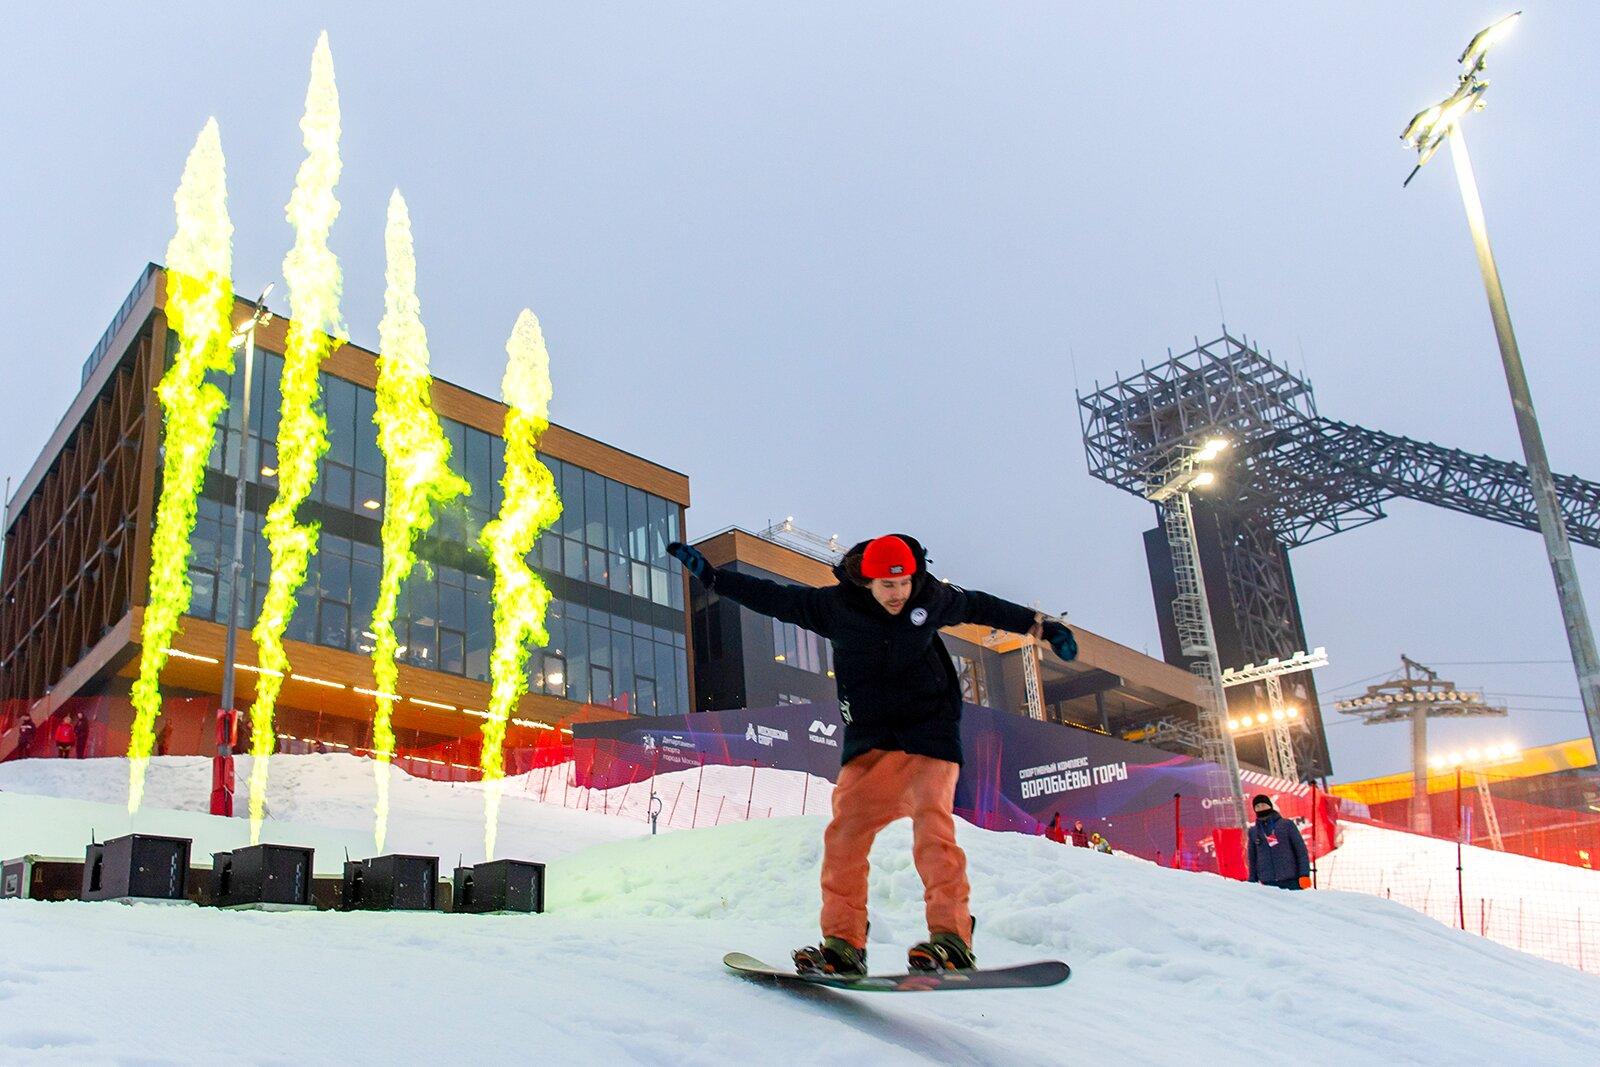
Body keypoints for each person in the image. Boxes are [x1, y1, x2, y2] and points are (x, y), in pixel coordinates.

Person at [668, 533, 1077, 976]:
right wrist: (715, 579)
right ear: (867, 581)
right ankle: (844, 944)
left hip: (929, 735)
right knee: (844, 838)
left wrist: (1043, 627)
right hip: (871, 741)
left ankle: (952, 939)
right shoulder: (835, 608)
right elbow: (777, 599)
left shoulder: (931, 597)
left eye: (903, 585)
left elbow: (982, 606)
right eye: (887, 586)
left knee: (933, 830)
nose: (898, 595)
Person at [1246, 793, 1310, 890]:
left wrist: (1304, 874)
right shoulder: (1254, 831)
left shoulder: (1286, 825)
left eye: (1263, 805)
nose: (1261, 808)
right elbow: (1253, 858)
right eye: (1257, 806)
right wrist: (1252, 879)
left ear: (1270, 806)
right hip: (1268, 883)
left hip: (1292, 881)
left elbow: (1301, 851)